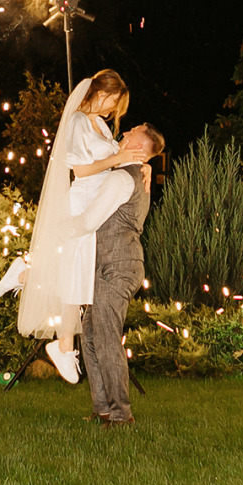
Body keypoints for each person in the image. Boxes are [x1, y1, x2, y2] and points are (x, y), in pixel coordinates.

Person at [0, 70, 147, 381]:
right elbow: (81, 170)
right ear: (102, 93)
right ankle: (64, 345)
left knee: (75, 275)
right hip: (82, 201)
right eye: (113, 102)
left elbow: (115, 161)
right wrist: (116, 159)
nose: (112, 110)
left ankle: (28, 278)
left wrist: (140, 165)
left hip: (97, 203)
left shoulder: (101, 127)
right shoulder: (79, 121)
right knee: (75, 275)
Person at [83, 122, 164, 426]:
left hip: (116, 266)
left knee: (104, 338)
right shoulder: (131, 175)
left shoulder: (123, 179)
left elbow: (90, 219)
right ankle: (103, 407)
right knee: (89, 336)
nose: (123, 134)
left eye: (130, 134)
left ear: (140, 148)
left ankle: (120, 415)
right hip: (110, 265)